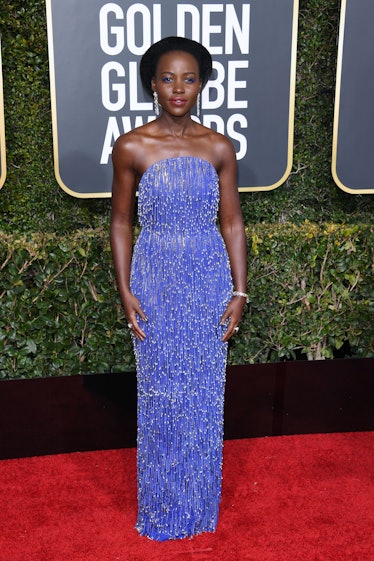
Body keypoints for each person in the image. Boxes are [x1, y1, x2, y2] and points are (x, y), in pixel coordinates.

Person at [110, 36, 247, 541]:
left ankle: (199, 507)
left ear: (203, 84)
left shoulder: (217, 146)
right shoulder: (132, 146)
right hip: (155, 280)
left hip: (209, 279)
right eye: (168, 78)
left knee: (203, 397)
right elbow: (121, 222)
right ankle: (164, 506)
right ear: (152, 83)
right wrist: (125, 289)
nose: (178, 88)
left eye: (189, 79)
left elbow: (232, 222)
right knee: (162, 395)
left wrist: (239, 291)